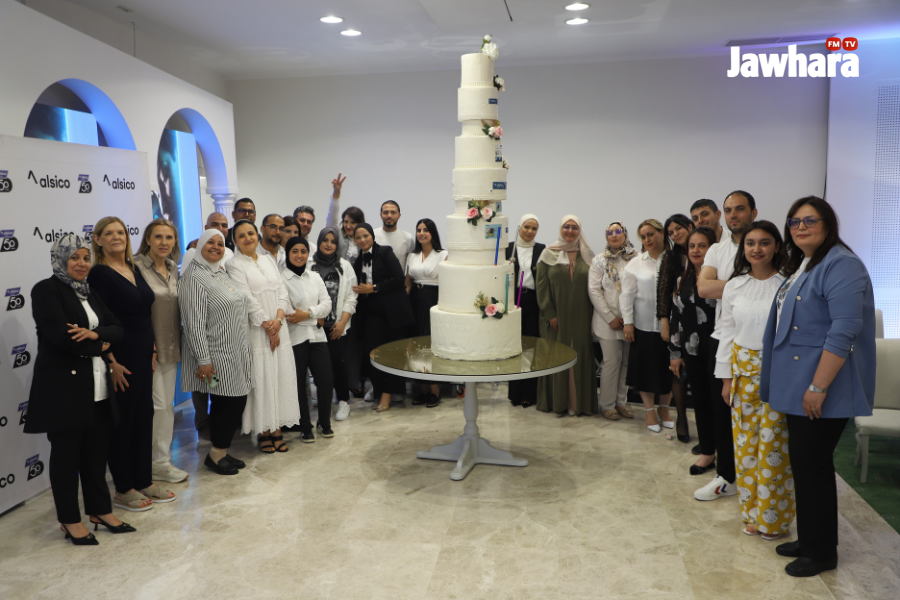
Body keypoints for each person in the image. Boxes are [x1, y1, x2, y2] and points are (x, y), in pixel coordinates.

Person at [762, 196, 876, 577]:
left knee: (812, 463)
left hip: (824, 384)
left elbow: (844, 330)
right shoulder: (806, 264)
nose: (801, 227)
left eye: (810, 220)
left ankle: (821, 552)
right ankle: (811, 538)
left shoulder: (842, 264)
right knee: (807, 463)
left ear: (828, 224)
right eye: (794, 222)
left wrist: (819, 386)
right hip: (802, 382)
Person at [25, 235, 134, 545]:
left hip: (97, 388)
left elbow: (118, 328)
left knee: (96, 456)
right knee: (66, 459)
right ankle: (69, 519)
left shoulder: (89, 292)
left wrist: (95, 334)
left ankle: (100, 511)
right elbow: (62, 337)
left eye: (86, 258)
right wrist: (102, 345)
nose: (82, 263)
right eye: (75, 257)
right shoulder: (46, 290)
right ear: (61, 259)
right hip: (65, 390)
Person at [88, 216, 175, 511]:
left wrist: (153, 347)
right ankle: (124, 488)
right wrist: (111, 361)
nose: (117, 237)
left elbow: (144, 312)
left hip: (143, 350)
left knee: (143, 416)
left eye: (121, 232)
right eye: (109, 233)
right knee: (123, 422)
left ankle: (144, 480)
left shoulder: (133, 267)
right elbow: (99, 320)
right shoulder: (99, 274)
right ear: (98, 239)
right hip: (120, 355)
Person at [714, 221, 791, 539]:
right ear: (743, 248)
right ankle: (752, 513)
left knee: (773, 448)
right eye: (750, 243)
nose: (756, 249)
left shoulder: (788, 284)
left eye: (764, 242)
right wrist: (725, 379)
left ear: (777, 246)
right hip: (741, 374)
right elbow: (727, 332)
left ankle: (773, 519)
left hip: (778, 373)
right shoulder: (734, 285)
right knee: (745, 446)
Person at [695, 190, 758, 502]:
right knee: (721, 412)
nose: (734, 215)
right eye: (729, 210)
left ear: (753, 212)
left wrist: (728, 287)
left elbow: (775, 285)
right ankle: (727, 476)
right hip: (721, 339)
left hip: (757, 342)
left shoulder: (763, 244)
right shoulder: (717, 250)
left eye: (740, 209)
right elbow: (704, 287)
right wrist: (750, 283)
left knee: (753, 414)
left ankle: (755, 476)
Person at [179, 229, 253, 475]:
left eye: (220, 243)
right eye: (210, 242)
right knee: (226, 403)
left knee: (232, 402)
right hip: (215, 356)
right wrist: (203, 360)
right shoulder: (193, 278)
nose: (216, 247)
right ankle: (215, 454)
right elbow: (193, 323)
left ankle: (221, 450)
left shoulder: (218, 273)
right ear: (199, 246)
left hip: (234, 353)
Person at [226, 220, 300, 451]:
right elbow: (246, 298)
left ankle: (277, 429)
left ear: (257, 234)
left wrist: (278, 321)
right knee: (262, 380)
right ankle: (264, 431)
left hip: (279, 327)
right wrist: (268, 327)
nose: (248, 238)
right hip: (257, 330)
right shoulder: (234, 264)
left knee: (279, 378)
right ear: (235, 241)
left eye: (250, 233)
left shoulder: (268, 259)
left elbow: (282, 291)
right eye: (241, 236)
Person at [134, 218, 188, 484]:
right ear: (148, 239)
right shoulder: (135, 267)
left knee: (166, 406)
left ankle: (160, 461)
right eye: (158, 237)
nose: (164, 242)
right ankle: (153, 462)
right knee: (155, 407)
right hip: (146, 350)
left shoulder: (172, 268)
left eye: (169, 237)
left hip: (170, 347)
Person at [668, 228, 719, 476]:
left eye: (702, 246)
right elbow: (676, 316)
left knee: (719, 402)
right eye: (692, 246)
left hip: (718, 350)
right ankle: (708, 451)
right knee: (700, 401)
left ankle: (725, 450)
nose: (696, 250)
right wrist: (675, 353)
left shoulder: (722, 277)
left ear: (713, 249)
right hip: (691, 351)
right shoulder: (683, 278)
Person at [536, 215, 597, 416]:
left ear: (579, 231)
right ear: (560, 229)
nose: (570, 231)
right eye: (566, 227)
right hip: (555, 318)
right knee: (558, 355)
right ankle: (558, 403)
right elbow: (541, 287)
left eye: (574, 227)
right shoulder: (548, 253)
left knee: (579, 354)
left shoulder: (587, 254)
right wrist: (550, 314)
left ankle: (579, 404)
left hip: (582, 316)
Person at [352, 223, 414, 412]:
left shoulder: (385, 252)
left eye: (365, 236)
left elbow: (398, 278)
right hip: (372, 313)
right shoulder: (357, 261)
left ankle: (388, 394)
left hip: (394, 312)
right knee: (373, 353)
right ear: (354, 241)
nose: (363, 240)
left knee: (394, 354)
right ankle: (378, 391)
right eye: (358, 237)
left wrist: (374, 288)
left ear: (372, 236)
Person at [182, 213, 234, 440]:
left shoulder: (227, 256)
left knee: (217, 386)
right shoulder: (192, 258)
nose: (220, 229)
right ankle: (204, 422)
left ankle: (219, 426)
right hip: (202, 335)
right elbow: (193, 311)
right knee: (204, 381)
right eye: (215, 226)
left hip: (221, 337)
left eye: (224, 226)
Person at [620, 219, 673, 432]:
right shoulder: (636, 263)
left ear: (662, 233)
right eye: (643, 237)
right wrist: (628, 322)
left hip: (670, 327)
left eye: (651, 234)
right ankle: (649, 411)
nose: (647, 239)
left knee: (668, 371)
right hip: (643, 326)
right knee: (645, 371)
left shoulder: (675, 259)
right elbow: (627, 295)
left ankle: (664, 409)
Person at [282, 236, 336, 440]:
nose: (299, 255)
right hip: (294, 338)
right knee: (298, 385)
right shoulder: (281, 278)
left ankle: (324, 423)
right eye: (294, 251)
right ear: (288, 253)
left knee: (325, 380)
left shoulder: (314, 277)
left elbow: (327, 304)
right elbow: (288, 313)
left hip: (317, 336)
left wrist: (306, 314)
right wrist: (315, 316)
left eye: (303, 251)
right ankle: (305, 426)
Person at [588, 221, 639, 420]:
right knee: (611, 362)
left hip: (630, 321)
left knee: (626, 363)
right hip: (606, 322)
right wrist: (610, 318)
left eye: (618, 231)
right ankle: (607, 405)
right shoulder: (599, 261)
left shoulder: (636, 258)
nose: (614, 235)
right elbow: (594, 291)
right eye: (610, 232)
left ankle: (621, 402)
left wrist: (629, 319)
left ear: (625, 234)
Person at [309, 227, 358, 422]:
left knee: (337, 363)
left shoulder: (344, 266)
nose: (329, 244)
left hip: (337, 326)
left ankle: (344, 401)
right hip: (314, 326)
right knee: (319, 367)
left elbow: (351, 297)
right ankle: (326, 400)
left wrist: (342, 323)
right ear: (319, 242)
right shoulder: (309, 265)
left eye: (333, 241)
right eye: (325, 240)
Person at [657, 214, 695, 443]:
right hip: (676, 321)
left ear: (690, 226)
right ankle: (681, 419)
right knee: (678, 371)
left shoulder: (705, 250)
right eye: (671, 232)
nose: (675, 234)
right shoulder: (671, 257)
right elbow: (663, 292)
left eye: (678, 228)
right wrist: (664, 321)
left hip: (701, 321)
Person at [405, 218, 448, 408]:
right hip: (414, 301)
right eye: (419, 230)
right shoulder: (412, 255)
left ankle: (435, 390)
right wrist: (403, 305)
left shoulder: (443, 254)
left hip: (433, 300)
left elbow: (448, 282)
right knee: (415, 345)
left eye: (425, 230)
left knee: (431, 345)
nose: (421, 233)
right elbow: (408, 283)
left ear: (432, 233)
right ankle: (423, 389)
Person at [506, 214, 545, 408]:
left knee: (530, 347)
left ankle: (529, 393)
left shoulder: (541, 249)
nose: (530, 231)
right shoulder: (508, 248)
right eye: (526, 227)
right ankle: (515, 393)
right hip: (512, 301)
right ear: (519, 227)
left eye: (534, 228)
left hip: (533, 301)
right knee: (514, 347)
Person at [374, 201, 414, 275]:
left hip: (399, 281)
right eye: (385, 212)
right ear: (381, 215)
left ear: (399, 215)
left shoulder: (408, 238)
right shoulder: (372, 235)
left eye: (393, 212)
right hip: (375, 281)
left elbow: (411, 265)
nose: (389, 215)